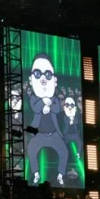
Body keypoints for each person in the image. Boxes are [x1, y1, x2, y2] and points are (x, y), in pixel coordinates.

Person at [25, 53, 69, 186]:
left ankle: (61, 175)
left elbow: (56, 109)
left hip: (53, 134)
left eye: (48, 75)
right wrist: (44, 101)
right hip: (38, 134)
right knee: (31, 150)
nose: (43, 79)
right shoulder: (33, 97)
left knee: (64, 152)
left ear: (54, 81)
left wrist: (49, 102)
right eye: (38, 74)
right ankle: (36, 174)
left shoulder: (54, 99)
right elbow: (35, 108)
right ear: (31, 79)